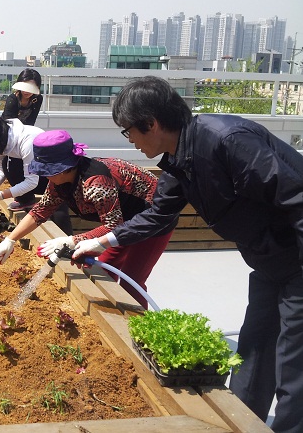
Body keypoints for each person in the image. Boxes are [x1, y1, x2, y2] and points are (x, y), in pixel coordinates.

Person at [73, 75, 303, 432]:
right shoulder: (180, 158)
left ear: (152, 123)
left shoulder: (228, 141)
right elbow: (158, 213)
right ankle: (242, 423)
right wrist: (100, 241)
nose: (129, 141)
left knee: (294, 363)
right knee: (254, 347)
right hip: (268, 258)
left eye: (129, 131)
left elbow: (297, 197)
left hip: (298, 257)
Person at [0, 129, 174, 308]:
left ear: (62, 169)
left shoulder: (95, 182)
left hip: (152, 220)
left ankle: (138, 332)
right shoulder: (59, 181)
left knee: (131, 280)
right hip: (122, 220)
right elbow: (40, 211)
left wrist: (72, 240)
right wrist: (10, 240)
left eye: (46, 170)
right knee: (104, 269)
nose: (43, 175)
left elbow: (112, 226)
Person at [0, 110, 72, 234]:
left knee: (57, 208)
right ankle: (25, 200)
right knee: (8, 163)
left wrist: (0, 196)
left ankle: (67, 241)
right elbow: (1, 170)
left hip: (54, 177)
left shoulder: (27, 140)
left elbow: (31, 182)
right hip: (35, 176)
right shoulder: (1, 140)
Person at [1, 68, 43, 210]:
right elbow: (8, 123)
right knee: (10, 165)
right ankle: (22, 196)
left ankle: (26, 196)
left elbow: (31, 121)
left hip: (25, 135)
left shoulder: (37, 99)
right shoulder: (13, 99)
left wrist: (27, 139)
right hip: (10, 135)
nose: (27, 91)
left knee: (30, 167)